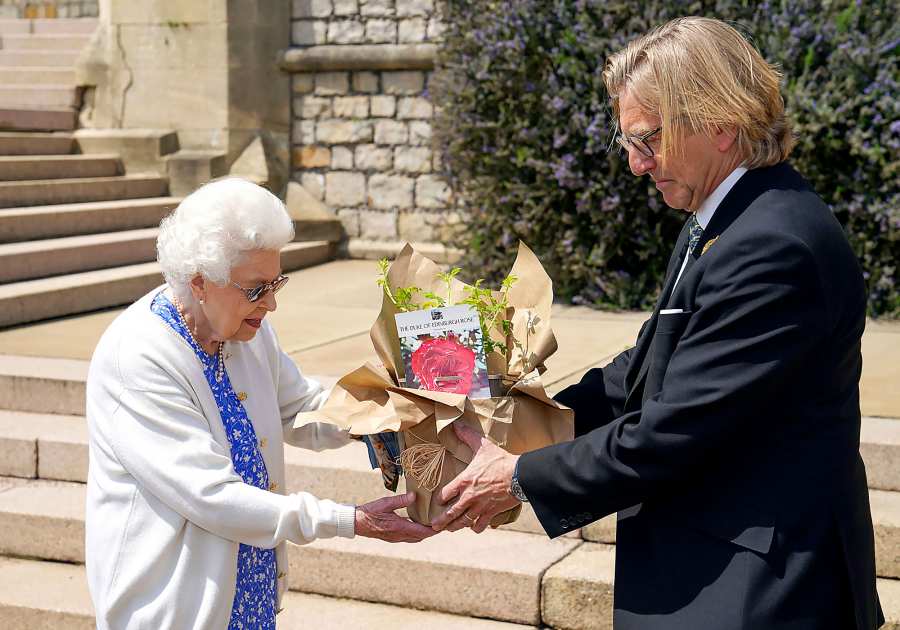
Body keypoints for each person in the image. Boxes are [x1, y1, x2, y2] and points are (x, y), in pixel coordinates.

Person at [431, 16, 884, 630]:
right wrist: (523, 419)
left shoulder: (773, 244)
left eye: (648, 141)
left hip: (759, 588)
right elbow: (646, 370)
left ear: (720, 124)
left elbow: (676, 429)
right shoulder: (728, 216)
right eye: (628, 144)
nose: (636, 166)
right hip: (716, 561)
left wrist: (518, 477)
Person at [85, 178, 434, 630]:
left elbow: (300, 407)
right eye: (256, 288)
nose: (270, 303)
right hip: (173, 608)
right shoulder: (137, 358)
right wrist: (349, 520)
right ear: (200, 283)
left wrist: (386, 409)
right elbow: (211, 497)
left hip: (250, 596)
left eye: (277, 283)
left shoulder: (243, 327)